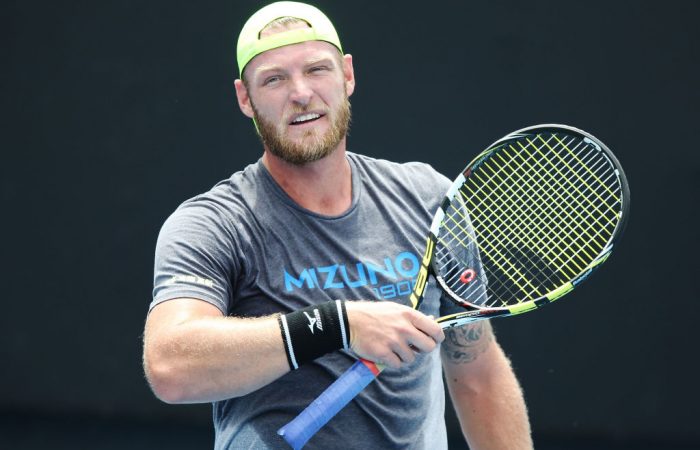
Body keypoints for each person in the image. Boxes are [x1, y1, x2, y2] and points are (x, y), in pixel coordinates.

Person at [142, 2, 533, 449]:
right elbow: (169, 366)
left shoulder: (428, 199)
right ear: (245, 98)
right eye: (274, 79)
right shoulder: (214, 224)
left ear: (347, 75)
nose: (301, 93)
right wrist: (338, 325)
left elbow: (476, 368)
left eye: (317, 70)